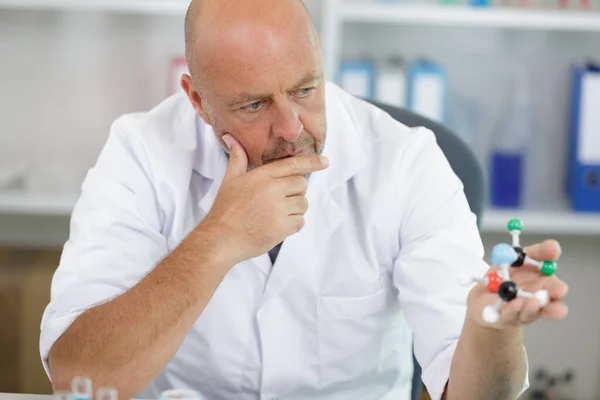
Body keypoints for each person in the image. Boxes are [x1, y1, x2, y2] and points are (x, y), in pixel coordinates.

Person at [40, 0, 569, 399]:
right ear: (198, 100)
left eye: (305, 89)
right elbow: (78, 375)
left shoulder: (407, 162)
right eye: (253, 104)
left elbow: (475, 391)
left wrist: (491, 329)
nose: (292, 129)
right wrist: (219, 240)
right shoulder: (141, 153)